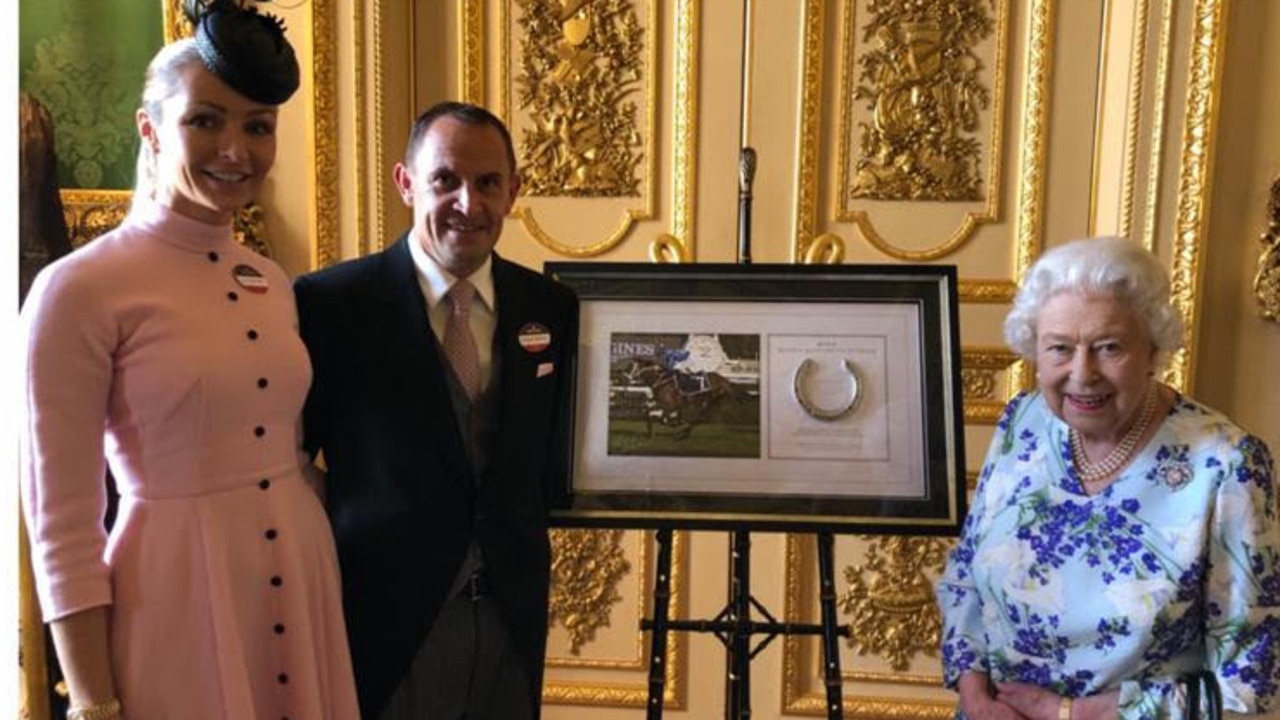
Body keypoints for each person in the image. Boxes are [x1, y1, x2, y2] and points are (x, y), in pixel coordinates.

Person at [19, 3, 360, 719]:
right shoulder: (77, 290)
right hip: (171, 601)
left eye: (257, 126)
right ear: (150, 128)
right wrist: (91, 703)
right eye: (205, 120)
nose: (235, 149)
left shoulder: (270, 282)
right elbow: (63, 525)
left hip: (300, 585)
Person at [295, 101, 579, 720]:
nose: (468, 204)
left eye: (487, 183)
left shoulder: (552, 308)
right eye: (445, 180)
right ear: (405, 183)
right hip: (382, 620)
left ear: (514, 191)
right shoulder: (329, 305)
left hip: (510, 614)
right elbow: (288, 457)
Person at [936, 236, 1279, 720]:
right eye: (1059, 349)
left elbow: (1253, 678)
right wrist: (974, 695)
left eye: (1109, 347)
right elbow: (965, 578)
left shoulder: (1225, 465)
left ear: (1153, 349)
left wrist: (1075, 713)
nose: (1082, 373)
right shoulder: (1023, 423)